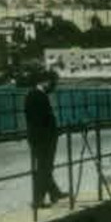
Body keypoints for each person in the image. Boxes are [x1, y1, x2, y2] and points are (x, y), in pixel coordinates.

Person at [24, 71, 66, 209]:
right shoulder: (35, 96)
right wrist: (49, 134)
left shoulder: (38, 95)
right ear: (44, 81)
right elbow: (37, 120)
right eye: (53, 82)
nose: (54, 86)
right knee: (44, 168)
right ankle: (37, 201)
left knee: (46, 167)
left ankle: (54, 193)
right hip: (41, 139)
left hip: (43, 138)